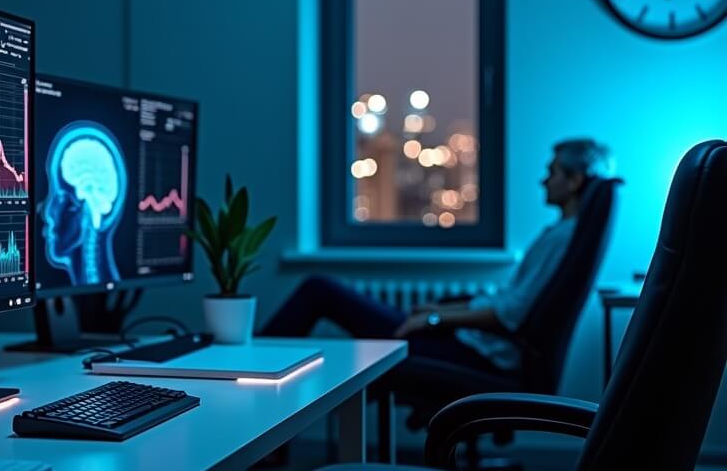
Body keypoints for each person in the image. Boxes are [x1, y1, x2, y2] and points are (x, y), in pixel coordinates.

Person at [261, 139, 614, 374]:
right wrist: (439, 312)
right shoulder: (564, 235)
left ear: (574, 181)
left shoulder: (563, 239)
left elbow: (511, 314)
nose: (543, 181)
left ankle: (251, 383)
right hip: (465, 341)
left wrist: (435, 322)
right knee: (325, 292)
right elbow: (510, 303)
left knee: (318, 289)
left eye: (551, 172)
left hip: (475, 354)